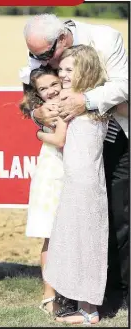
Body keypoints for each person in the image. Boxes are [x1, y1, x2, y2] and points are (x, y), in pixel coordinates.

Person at [20, 14, 129, 313]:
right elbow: (30, 93)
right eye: (34, 55)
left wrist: (85, 101)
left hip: (116, 131)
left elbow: (123, 87)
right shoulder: (42, 52)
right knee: (71, 222)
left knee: (119, 213)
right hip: (73, 148)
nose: (40, 62)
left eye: (44, 56)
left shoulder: (107, 39)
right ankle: (81, 294)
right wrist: (38, 115)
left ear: (63, 40)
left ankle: (119, 292)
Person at [43, 44, 116, 325]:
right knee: (84, 240)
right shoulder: (89, 102)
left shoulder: (75, 101)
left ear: (84, 71)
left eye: (68, 69)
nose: (61, 73)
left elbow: (56, 129)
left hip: (82, 184)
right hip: (84, 182)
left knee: (84, 241)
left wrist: (39, 130)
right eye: (60, 69)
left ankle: (89, 311)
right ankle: (86, 306)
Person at [19, 66, 67, 316]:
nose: (50, 91)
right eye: (43, 89)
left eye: (53, 84)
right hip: (53, 170)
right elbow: (60, 140)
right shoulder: (49, 109)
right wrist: (40, 133)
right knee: (51, 234)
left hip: (66, 168)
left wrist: (38, 133)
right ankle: (50, 294)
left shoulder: (66, 101)